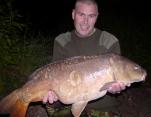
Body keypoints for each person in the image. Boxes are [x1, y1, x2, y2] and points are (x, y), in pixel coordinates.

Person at [43, 0, 129, 116]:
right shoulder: (62, 41)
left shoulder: (109, 41)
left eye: (91, 16)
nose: (85, 21)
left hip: (102, 107)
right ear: (73, 14)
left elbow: (118, 79)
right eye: (81, 15)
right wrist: (51, 92)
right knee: (49, 103)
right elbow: (54, 76)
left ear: (97, 17)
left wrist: (116, 89)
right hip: (69, 103)